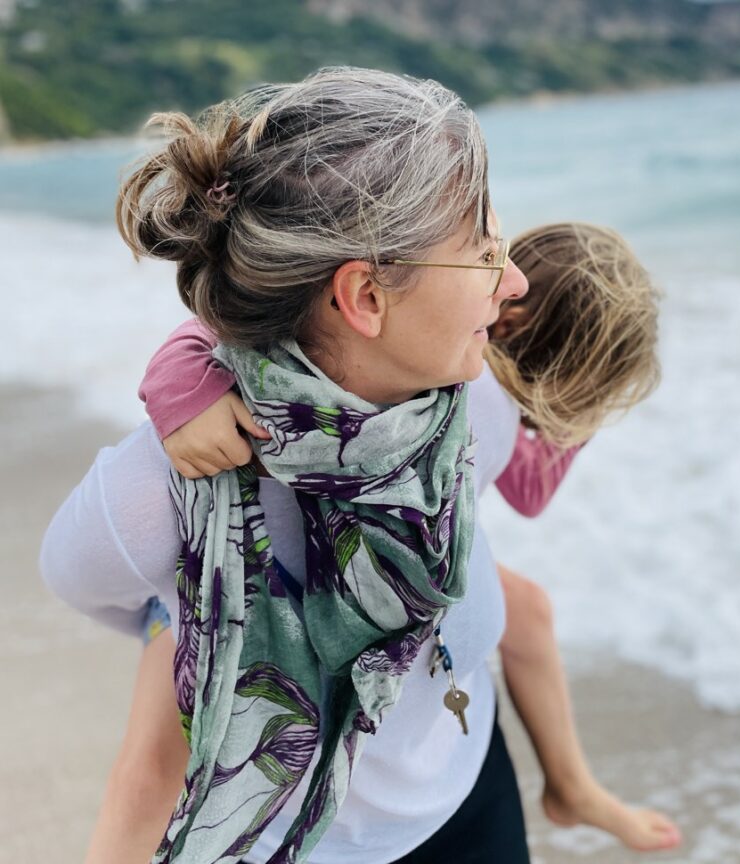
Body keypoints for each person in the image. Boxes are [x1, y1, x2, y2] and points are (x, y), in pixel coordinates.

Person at [40, 67, 532, 864]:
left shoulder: (474, 403)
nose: (514, 282)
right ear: (365, 297)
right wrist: (202, 608)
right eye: (482, 254)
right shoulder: (160, 490)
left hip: (473, 802)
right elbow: (84, 582)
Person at [89, 222, 681, 859]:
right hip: (228, 554)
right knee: (155, 762)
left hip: (396, 542)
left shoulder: (471, 370)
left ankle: (571, 789)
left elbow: (525, 487)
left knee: (527, 610)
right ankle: (571, 788)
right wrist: (182, 387)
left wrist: (572, 419)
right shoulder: (445, 363)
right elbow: (225, 325)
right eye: (580, 392)